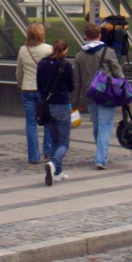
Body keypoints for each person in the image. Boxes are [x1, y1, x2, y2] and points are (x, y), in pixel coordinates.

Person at [73, 22, 124, 170]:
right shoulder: (108, 52)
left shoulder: (79, 56)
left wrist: (75, 101)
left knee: (96, 124)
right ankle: (101, 158)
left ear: (86, 36)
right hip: (107, 94)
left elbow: (77, 80)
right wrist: (124, 91)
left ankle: (100, 154)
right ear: (100, 36)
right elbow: (117, 72)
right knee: (105, 125)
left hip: (90, 94)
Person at [36, 39, 74, 186]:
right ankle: (53, 163)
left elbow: (39, 84)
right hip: (62, 105)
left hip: (46, 106)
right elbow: (71, 87)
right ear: (64, 51)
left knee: (54, 140)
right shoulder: (66, 65)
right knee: (64, 142)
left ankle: (58, 173)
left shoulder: (42, 64)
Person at [15, 23, 52, 164]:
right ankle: (48, 152)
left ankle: (33, 156)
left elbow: (19, 71)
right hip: (44, 90)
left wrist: (20, 84)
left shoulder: (23, 50)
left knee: (30, 123)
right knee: (48, 120)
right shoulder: (48, 49)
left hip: (28, 89)